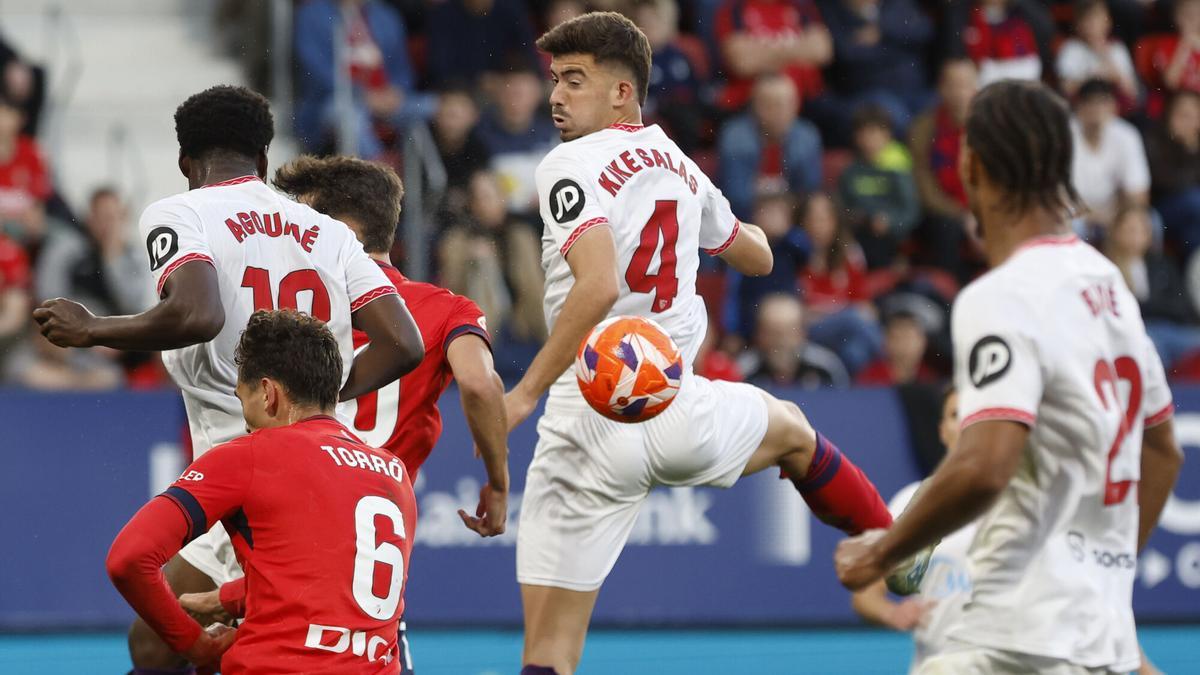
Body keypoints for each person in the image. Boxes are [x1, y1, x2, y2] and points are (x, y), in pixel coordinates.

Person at [508, 14, 893, 674]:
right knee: (795, 431)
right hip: (674, 407)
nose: (556, 97)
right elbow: (760, 256)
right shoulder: (675, 160)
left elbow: (598, 285)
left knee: (548, 654)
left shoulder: (566, 164)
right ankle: (890, 543)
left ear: (623, 92)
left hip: (582, 424)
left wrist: (523, 392)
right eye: (554, 81)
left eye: (575, 81)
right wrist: (705, 215)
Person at [32, 84, 425, 674]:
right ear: (265, 160)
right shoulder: (329, 233)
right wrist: (315, 397)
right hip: (327, 455)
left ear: (185, 162)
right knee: (198, 633)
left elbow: (198, 314)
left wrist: (93, 330)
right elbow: (403, 342)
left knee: (190, 636)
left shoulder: (180, 212)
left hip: (243, 457)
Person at [835, 80, 1185, 674]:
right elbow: (1162, 451)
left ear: (972, 166)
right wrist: (1107, 570)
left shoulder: (1002, 296)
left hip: (1012, 638)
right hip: (1097, 632)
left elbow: (984, 464)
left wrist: (883, 550)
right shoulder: (1108, 285)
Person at [107, 309, 419, 673]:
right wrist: (227, 598)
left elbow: (128, 559)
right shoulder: (393, 473)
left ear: (269, 394)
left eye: (244, 402)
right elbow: (329, 582)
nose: (246, 421)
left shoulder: (250, 456)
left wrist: (197, 647)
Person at [850, 387, 972, 672]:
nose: (965, 422)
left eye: (973, 414)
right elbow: (866, 592)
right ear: (943, 431)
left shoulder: (1022, 500)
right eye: (955, 414)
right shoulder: (912, 504)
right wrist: (891, 612)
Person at [717, 73, 822, 220]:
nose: (779, 112)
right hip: (745, 218)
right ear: (755, 106)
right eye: (770, 105)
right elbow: (735, 195)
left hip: (793, 219)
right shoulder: (735, 136)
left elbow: (809, 192)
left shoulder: (807, 136)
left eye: (786, 104)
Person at [909, 58, 979, 279]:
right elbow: (923, 181)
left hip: (985, 210)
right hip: (943, 211)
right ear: (941, 88)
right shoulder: (924, 127)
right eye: (953, 85)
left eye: (966, 85)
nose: (960, 93)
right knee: (945, 229)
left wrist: (981, 213)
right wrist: (960, 215)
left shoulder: (994, 126)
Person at [35, 187, 152, 317]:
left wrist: (112, 258)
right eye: (102, 217)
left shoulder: (136, 256)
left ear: (123, 218)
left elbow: (134, 305)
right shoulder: (68, 249)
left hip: (120, 327)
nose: (107, 225)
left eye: (112, 217)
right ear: (90, 219)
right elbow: (48, 295)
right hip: (76, 325)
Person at [838, 104, 920, 270]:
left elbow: (910, 211)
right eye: (865, 133)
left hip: (890, 238)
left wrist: (889, 222)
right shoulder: (850, 172)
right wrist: (856, 217)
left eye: (875, 132)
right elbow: (842, 207)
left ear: (887, 135)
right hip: (859, 233)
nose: (870, 139)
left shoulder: (898, 169)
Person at [1069, 78, 1150, 237]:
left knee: (1149, 220)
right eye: (1090, 103)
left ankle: (1136, 263)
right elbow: (1060, 196)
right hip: (1076, 216)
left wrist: (1118, 215)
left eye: (1102, 102)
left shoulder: (1127, 135)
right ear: (1079, 107)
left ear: (1114, 106)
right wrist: (1093, 217)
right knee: (1074, 226)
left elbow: (1139, 194)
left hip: (1115, 213)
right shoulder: (1064, 135)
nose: (1096, 110)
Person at [737, 292, 851, 388]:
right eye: (773, 333)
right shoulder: (743, 374)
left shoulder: (826, 369)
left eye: (788, 333)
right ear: (759, 335)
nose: (781, 342)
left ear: (802, 333)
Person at [1145, 91, 1200, 255]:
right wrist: (1187, 148)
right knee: (1195, 201)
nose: (1186, 121)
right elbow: (1166, 182)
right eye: (1181, 115)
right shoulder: (1154, 140)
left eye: (1191, 115)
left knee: (1193, 229)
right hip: (1163, 207)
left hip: (1193, 212)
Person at [1055, 0, 1138, 104]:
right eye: (1087, 21)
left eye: (1097, 20)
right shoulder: (1071, 49)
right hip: (1082, 106)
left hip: (1113, 109)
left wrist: (1107, 60)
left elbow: (1132, 92)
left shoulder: (1117, 48)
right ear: (1078, 24)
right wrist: (1093, 76)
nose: (1093, 26)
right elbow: (1065, 89)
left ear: (1108, 22)